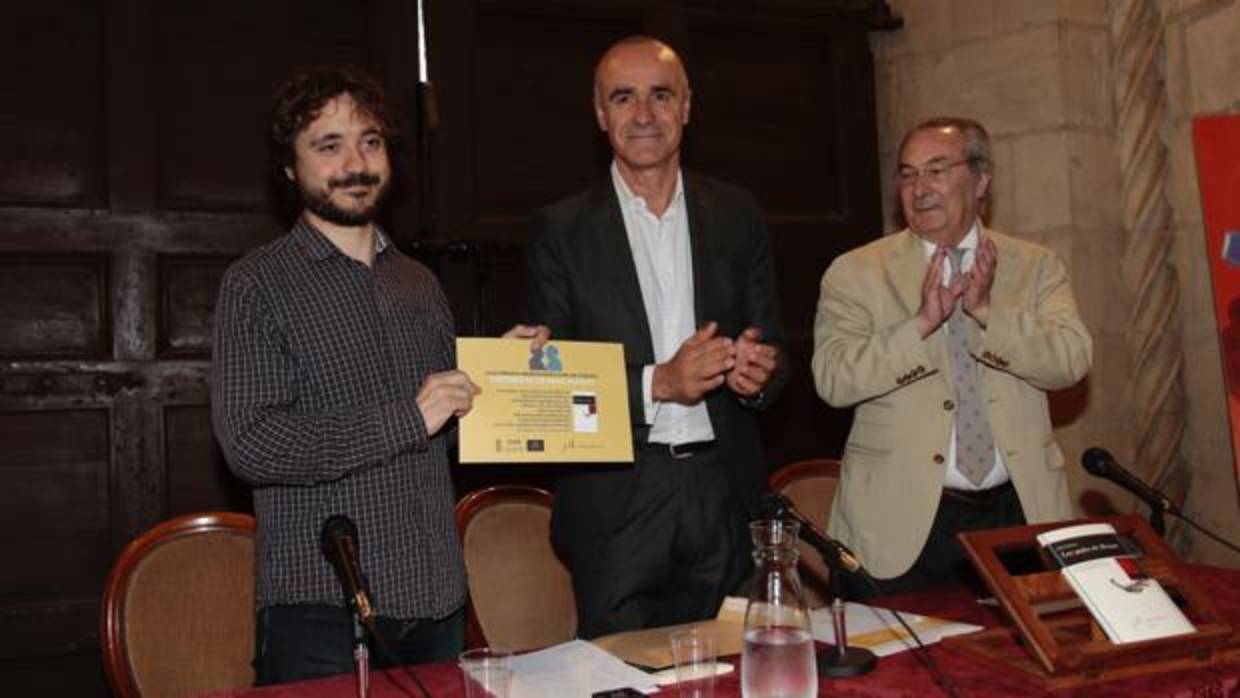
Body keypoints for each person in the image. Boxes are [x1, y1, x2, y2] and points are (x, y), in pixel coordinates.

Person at [211, 65, 545, 684]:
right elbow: (253, 444)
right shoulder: (256, 284)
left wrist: (504, 383)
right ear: (290, 168)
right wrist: (407, 417)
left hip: (438, 597)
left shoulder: (417, 281)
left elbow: (443, 430)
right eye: (328, 145)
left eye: (370, 141)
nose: (355, 162)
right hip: (322, 611)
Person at [526, 36, 788, 638]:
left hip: (724, 494)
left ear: (687, 106)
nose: (643, 115)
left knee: (730, 675)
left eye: (660, 95)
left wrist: (758, 372)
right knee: (619, 676)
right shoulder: (559, 230)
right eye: (624, 97)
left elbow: (777, 351)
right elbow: (550, 390)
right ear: (600, 114)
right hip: (618, 500)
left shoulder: (737, 212)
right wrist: (659, 384)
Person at [812, 116, 1092, 597]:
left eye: (937, 170)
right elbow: (834, 380)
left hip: (1019, 512)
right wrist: (919, 325)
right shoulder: (855, 272)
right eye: (907, 173)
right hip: (900, 521)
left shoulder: (1036, 265)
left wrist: (987, 313)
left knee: (1026, 669)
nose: (918, 188)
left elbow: (1070, 360)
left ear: (981, 179)